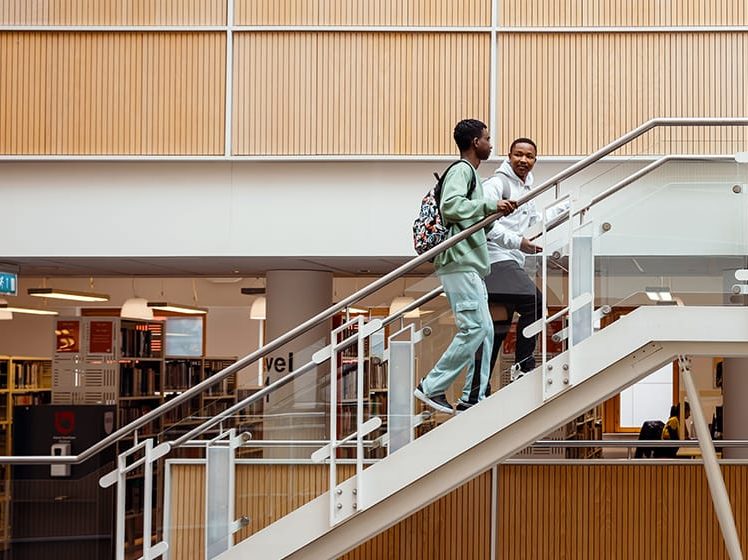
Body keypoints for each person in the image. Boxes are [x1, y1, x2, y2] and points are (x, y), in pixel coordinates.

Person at [414, 119, 517, 414]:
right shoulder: (462, 170)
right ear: (475, 142)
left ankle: (473, 397)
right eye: (487, 138)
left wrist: (492, 214)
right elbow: (450, 206)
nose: (491, 143)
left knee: (485, 330)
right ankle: (431, 387)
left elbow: (467, 218)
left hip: (468, 261)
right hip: (458, 261)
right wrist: (490, 205)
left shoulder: (470, 174)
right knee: (474, 328)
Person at [463, 138, 545, 407]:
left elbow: (534, 224)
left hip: (509, 262)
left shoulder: (526, 188)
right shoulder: (497, 184)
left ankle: (475, 393)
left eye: (529, 156)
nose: (523, 160)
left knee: (496, 331)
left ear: (535, 159)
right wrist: (518, 243)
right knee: (534, 301)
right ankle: (524, 363)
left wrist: (568, 208)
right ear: (509, 156)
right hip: (496, 259)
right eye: (518, 155)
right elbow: (481, 221)